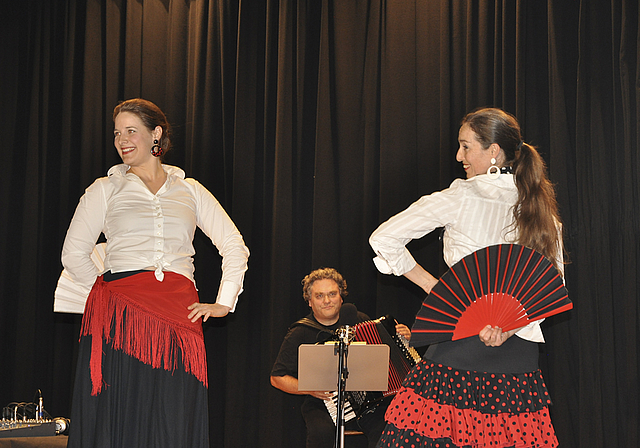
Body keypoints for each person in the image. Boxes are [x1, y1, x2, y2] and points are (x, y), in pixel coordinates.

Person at [369, 107, 564, 448]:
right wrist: (509, 327)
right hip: (518, 352)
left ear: (493, 151)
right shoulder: (540, 206)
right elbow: (551, 286)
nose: (459, 156)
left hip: (458, 342)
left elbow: (383, 238)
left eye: (465, 146)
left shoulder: (461, 196)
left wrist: (434, 287)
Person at [61, 98, 250, 448]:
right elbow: (73, 253)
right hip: (121, 313)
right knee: (121, 409)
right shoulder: (105, 189)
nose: (122, 140)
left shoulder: (190, 190)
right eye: (117, 133)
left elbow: (234, 245)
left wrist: (224, 302)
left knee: (174, 412)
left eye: (131, 131)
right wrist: (106, 295)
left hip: (179, 313)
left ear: (156, 134)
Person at [270, 267, 412, 448]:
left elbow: (384, 359)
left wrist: (402, 338)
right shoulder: (300, 333)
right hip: (322, 401)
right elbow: (277, 377)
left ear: (341, 297)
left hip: (368, 401)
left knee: (388, 429)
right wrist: (309, 389)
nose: (327, 301)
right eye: (319, 296)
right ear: (309, 302)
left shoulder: (359, 320)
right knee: (321, 433)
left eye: (332, 294)